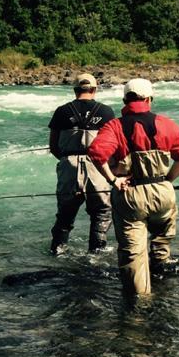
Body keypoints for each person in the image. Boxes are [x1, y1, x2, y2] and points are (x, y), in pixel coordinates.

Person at [88, 79, 179, 297]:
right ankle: (163, 280)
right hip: (163, 192)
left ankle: (140, 305)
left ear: (125, 100)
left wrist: (113, 180)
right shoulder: (167, 124)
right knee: (162, 238)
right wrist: (167, 181)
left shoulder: (115, 126)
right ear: (149, 99)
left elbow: (96, 154)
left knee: (133, 255)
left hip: (130, 194)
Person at [47, 73, 115, 255]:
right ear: (94, 89)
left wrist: (68, 161)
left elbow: (53, 147)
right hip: (97, 166)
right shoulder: (106, 112)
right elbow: (112, 145)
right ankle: (96, 253)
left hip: (68, 165)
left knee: (65, 213)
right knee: (101, 211)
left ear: (75, 90)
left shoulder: (61, 111)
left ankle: (58, 250)